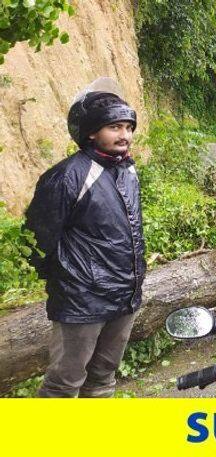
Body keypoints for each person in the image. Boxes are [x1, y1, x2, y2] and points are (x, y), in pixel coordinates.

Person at [24, 84, 144, 397]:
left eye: (129, 127)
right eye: (114, 127)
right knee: (63, 385)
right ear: (91, 132)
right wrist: (69, 281)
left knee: (103, 380)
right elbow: (36, 242)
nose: (125, 135)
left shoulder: (128, 172)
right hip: (81, 302)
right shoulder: (67, 176)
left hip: (124, 296)